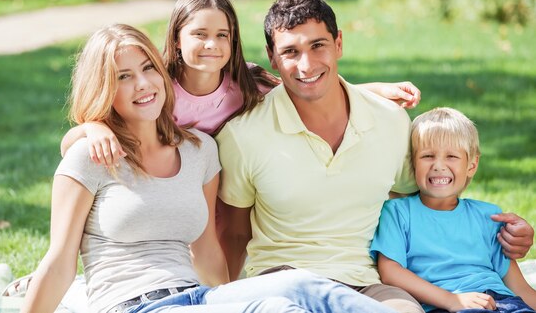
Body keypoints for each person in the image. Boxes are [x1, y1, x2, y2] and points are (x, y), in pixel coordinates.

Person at [20, 23, 404, 313]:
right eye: (123, 77)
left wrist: (233, 299)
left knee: (298, 289)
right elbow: (59, 262)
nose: (143, 84)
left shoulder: (199, 151)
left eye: (148, 69)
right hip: (133, 305)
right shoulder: (90, 155)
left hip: (197, 298)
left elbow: (206, 252)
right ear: (104, 88)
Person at [215, 0, 535, 313]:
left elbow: (426, 204)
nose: (306, 64)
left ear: (338, 43)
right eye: (290, 52)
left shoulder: (389, 120)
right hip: (283, 282)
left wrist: (501, 234)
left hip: (365, 282)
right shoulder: (244, 136)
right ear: (272, 56)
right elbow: (234, 233)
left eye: (318, 46)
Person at [60, 0, 421, 165]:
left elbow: (306, 86)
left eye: (222, 35)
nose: (211, 45)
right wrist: (94, 127)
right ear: (175, 37)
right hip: (167, 191)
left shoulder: (246, 84)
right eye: (199, 35)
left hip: (224, 194)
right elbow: (70, 144)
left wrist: (373, 91)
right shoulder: (156, 86)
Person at [370, 107, 536, 313]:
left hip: (504, 302)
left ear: (472, 165)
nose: (439, 165)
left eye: (451, 156)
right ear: (413, 163)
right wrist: (452, 300)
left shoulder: (488, 216)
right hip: (444, 304)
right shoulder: (398, 212)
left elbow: (519, 288)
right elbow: (390, 272)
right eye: (428, 156)